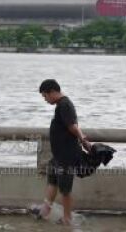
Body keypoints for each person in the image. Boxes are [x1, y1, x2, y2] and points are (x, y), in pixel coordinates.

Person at [38, 79, 91, 225]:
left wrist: (83, 140)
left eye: (45, 96)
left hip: (67, 156)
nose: (45, 100)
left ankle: (67, 218)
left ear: (52, 92)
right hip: (59, 156)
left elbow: (73, 126)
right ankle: (45, 211)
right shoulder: (60, 105)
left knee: (65, 189)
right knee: (52, 179)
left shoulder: (65, 105)